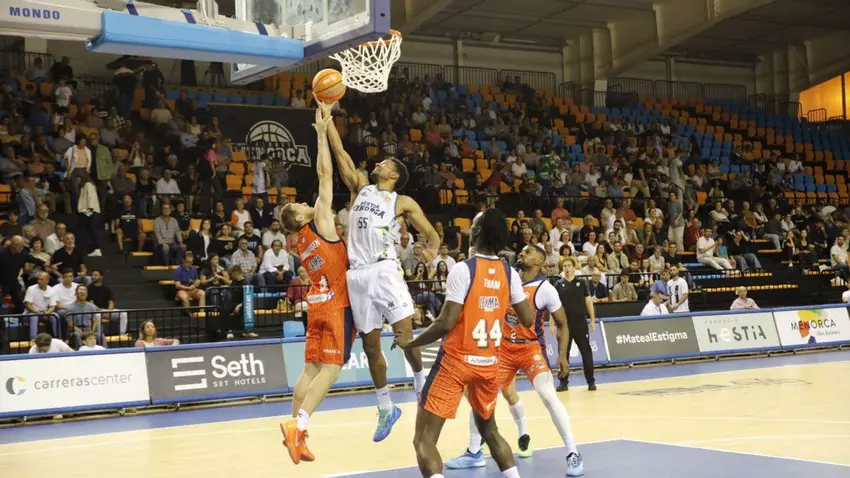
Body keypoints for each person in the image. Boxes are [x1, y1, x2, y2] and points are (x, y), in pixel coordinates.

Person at [324, 99, 438, 440]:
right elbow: (341, 155)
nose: (378, 163)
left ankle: (420, 385)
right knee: (371, 347)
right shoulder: (360, 186)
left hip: (385, 270)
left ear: (394, 175)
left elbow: (432, 234)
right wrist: (327, 120)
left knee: (406, 338)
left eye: (385, 163)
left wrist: (430, 251)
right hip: (357, 275)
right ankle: (386, 407)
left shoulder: (402, 202)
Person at [394, 208, 534, 478]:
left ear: (477, 232)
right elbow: (527, 318)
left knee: (423, 439)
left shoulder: (463, 269)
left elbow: (445, 322)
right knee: (490, 431)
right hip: (489, 363)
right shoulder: (509, 274)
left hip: (456, 362)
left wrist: (411, 342)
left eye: (474, 223)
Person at [446, 244, 583, 476]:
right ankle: (474, 452)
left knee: (548, 395)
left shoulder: (546, 289)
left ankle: (573, 453)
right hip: (504, 348)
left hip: (530, 348)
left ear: (539, 261)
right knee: (481, 396)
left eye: (528, 252)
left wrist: (562, 355)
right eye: (522, 251)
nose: (521, 253)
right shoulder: (507, 279)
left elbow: (562, 323)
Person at [279, 105, 355, 465]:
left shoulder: (301, 242)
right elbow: (325, 174)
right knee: (331, 369)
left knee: (309, 369)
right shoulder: (320, 220)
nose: (302, 202)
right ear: (298, 217)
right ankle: (300, 426)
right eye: (297, 204)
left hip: (316, 305)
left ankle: (294, 432)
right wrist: (322, 132)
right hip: (336, 303)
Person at [554, 257, 597, 392]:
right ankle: (563, 382)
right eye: (564, 266)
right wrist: (552, 323)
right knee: (563, 353)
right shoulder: (558, 284)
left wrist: (592, 320)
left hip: (580, 323)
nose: (567, 268)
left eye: (569, 265)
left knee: (586, 352)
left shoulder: (582, 283)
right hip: (564, 325)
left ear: (574, 267)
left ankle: (590, 381)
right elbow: (554, 305)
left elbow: (588, 302)